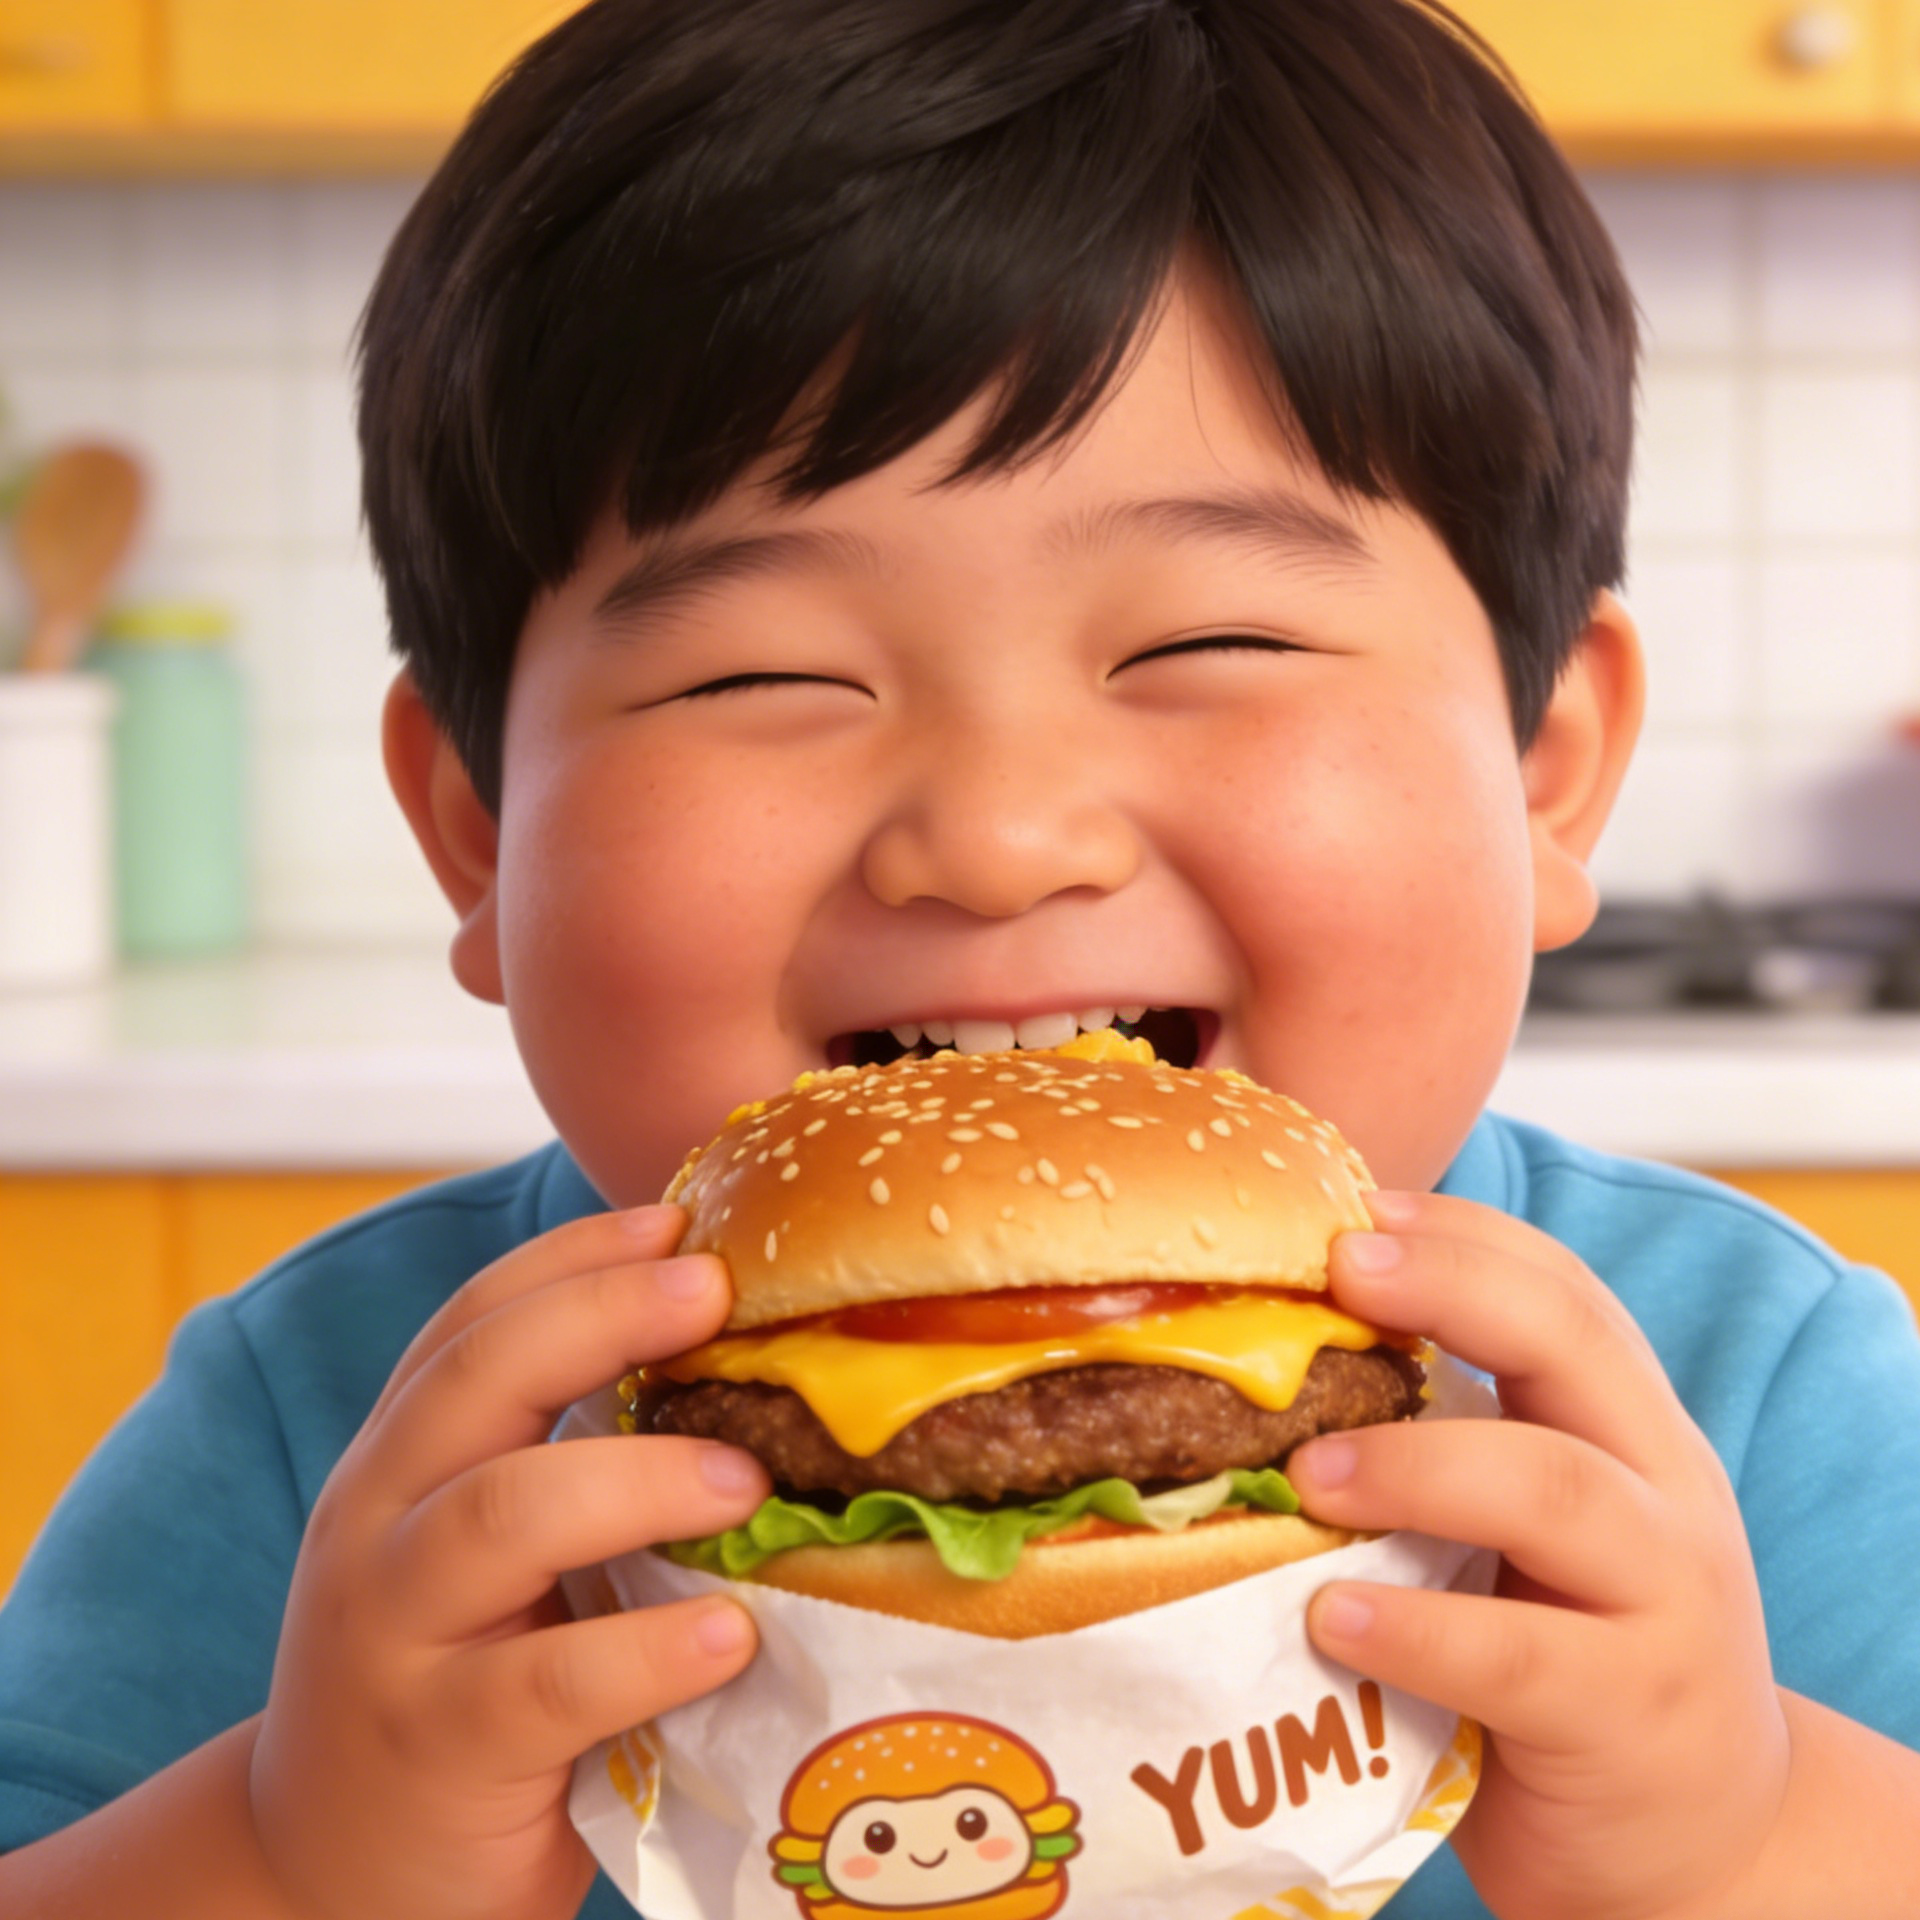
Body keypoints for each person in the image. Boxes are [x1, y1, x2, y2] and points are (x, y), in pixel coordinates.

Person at [3, 2, 1919, 1915]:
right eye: (761, 673)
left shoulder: (1748, 1400)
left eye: (1212, 645)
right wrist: (281, 1857)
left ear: (1547, 769)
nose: (999, 837)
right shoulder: (325, 1436)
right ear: (478, 829)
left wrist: (1745, 1843)